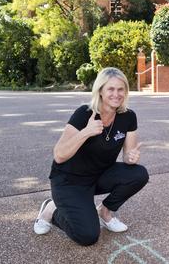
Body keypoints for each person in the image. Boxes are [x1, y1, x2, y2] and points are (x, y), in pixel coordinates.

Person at [33, 67, 148, 246]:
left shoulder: (128, 116)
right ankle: (51, 210)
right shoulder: (84, 114)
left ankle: (105, 212)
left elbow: (127, 156)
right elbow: (59, 155)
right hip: (69, 181)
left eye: (121, 89)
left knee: (138, 174)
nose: (116, 94)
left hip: (99, 176)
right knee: (87, 236)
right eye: (111, 89)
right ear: (100, 91)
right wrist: (86, 132)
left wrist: (131, 157)